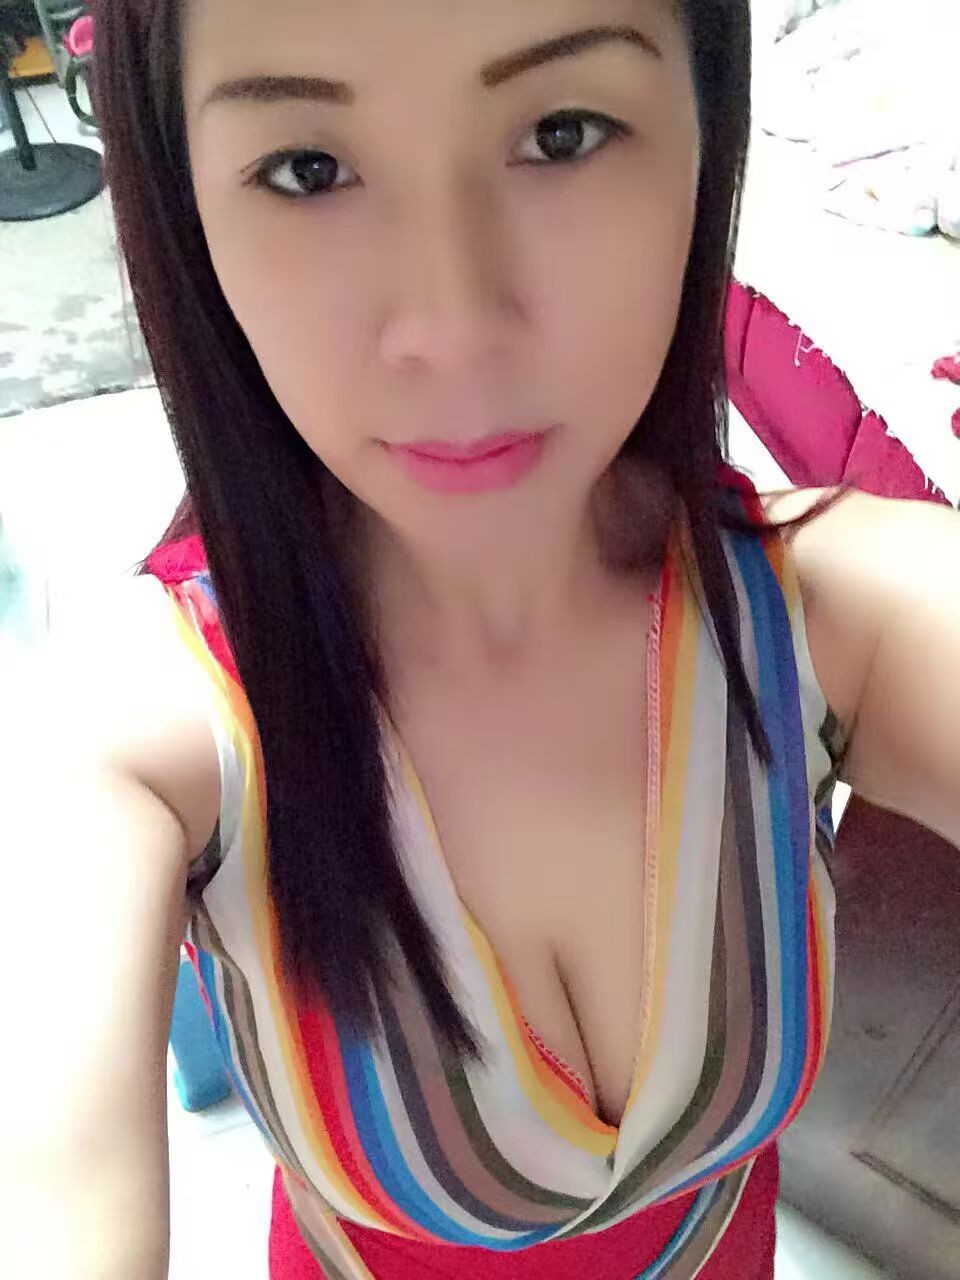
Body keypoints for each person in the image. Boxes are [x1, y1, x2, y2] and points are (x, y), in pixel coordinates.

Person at [2, 1, 958, 1277]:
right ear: (189, 209)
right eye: (309, 169)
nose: (452, 328)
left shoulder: (829, 618)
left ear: (705, 127)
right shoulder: (140, 733)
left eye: (563, 133)